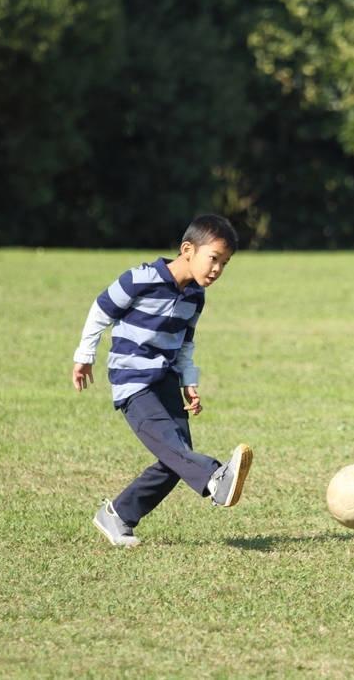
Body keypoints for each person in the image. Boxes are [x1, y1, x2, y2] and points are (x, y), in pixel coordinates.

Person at [71, 214, 252, 548]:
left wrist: (188, 381)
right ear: (187, 250)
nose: (217, 270)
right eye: (213, 258)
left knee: (176, 458)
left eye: (224, 264)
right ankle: (216, 478)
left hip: (166, 380)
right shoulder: (141, 279)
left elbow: (185, 344)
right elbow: (101, 309)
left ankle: (117, 515)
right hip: (133, 382)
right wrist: (85, 355)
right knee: (177, 453)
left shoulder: (196, 296)